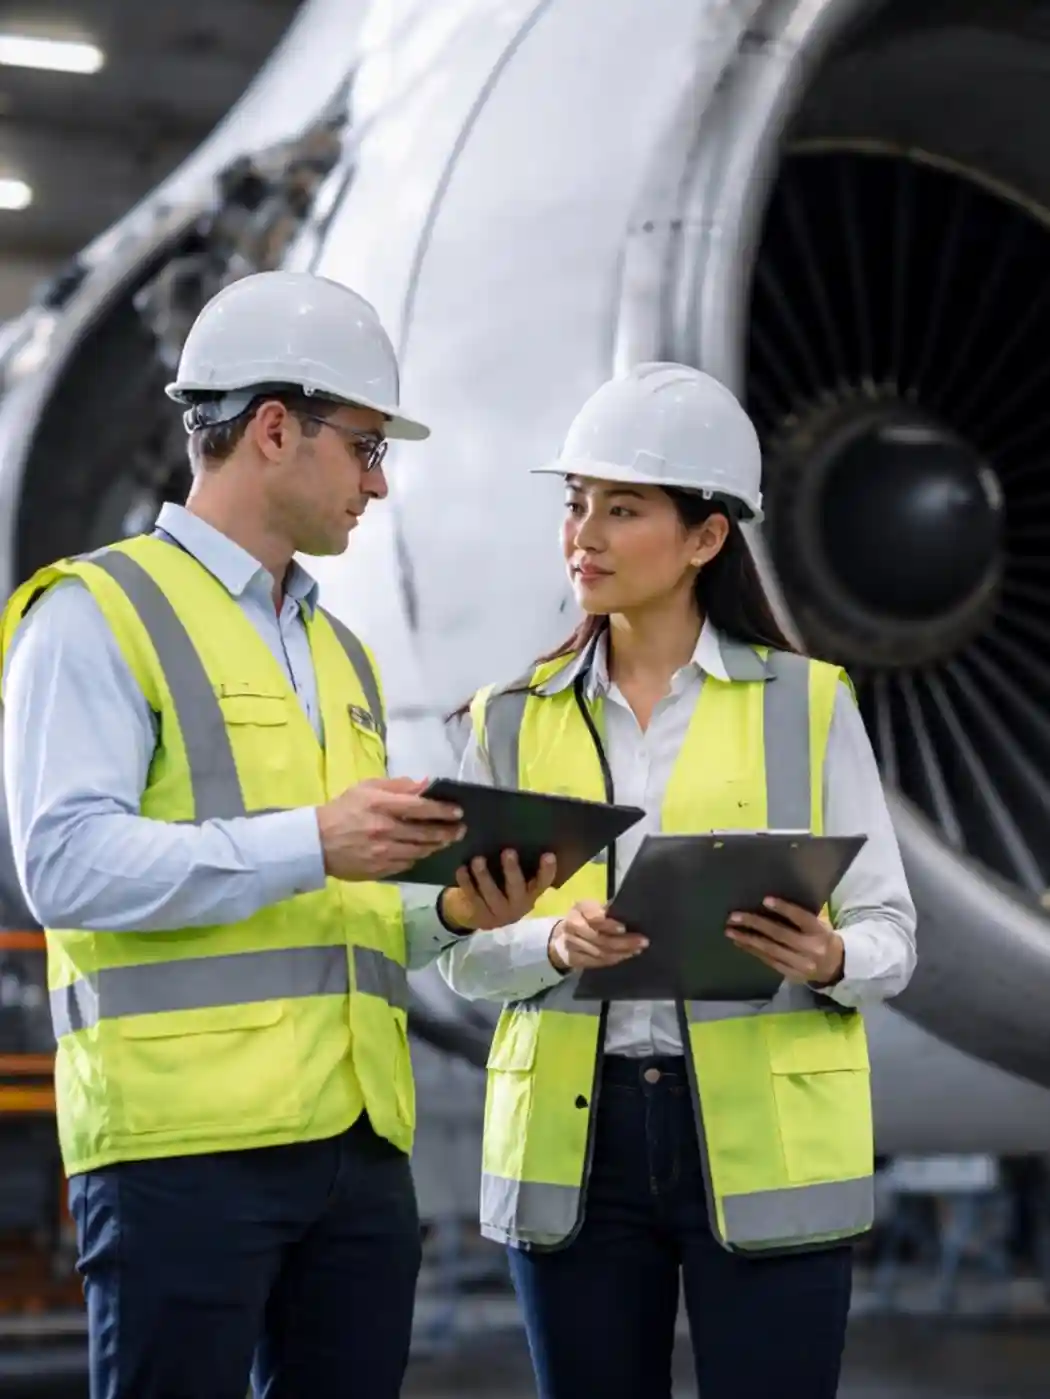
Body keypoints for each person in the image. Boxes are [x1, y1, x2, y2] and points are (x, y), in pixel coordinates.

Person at [0, 270, 550, 1399]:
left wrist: (451, 908)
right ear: (271, 428)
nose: (379, 481)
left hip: (356, 1147)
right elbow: (62, 866)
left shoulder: (340, 654)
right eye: (364, 445)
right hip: (182, 1149)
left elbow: (342, 899)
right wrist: (311, 838)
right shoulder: (96, 613)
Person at [435, 362, 918, 1399]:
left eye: (622, 509)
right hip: (578, 1147)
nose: (584, 535)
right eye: (576, 504)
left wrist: (830, 955)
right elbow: (460, 958)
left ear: (706, 538)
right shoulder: (509, 717)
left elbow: (891, 935)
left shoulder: (809, 706)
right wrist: (551, 942)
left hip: (765, 1146)